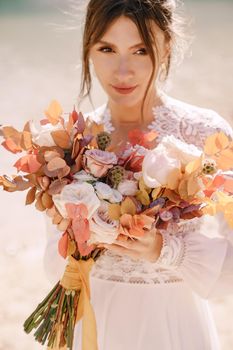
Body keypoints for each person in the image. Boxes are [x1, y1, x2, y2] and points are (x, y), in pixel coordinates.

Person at [44, 1, 233, 349]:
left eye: (140, 50)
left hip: (173, 323)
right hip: (95, 320)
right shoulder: (73, 141)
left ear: (166, 47)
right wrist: (70, 236)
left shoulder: (205, 133)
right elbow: (53, 266)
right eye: (107, 49)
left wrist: (166, 249)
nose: (122, 71)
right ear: (89, 48)